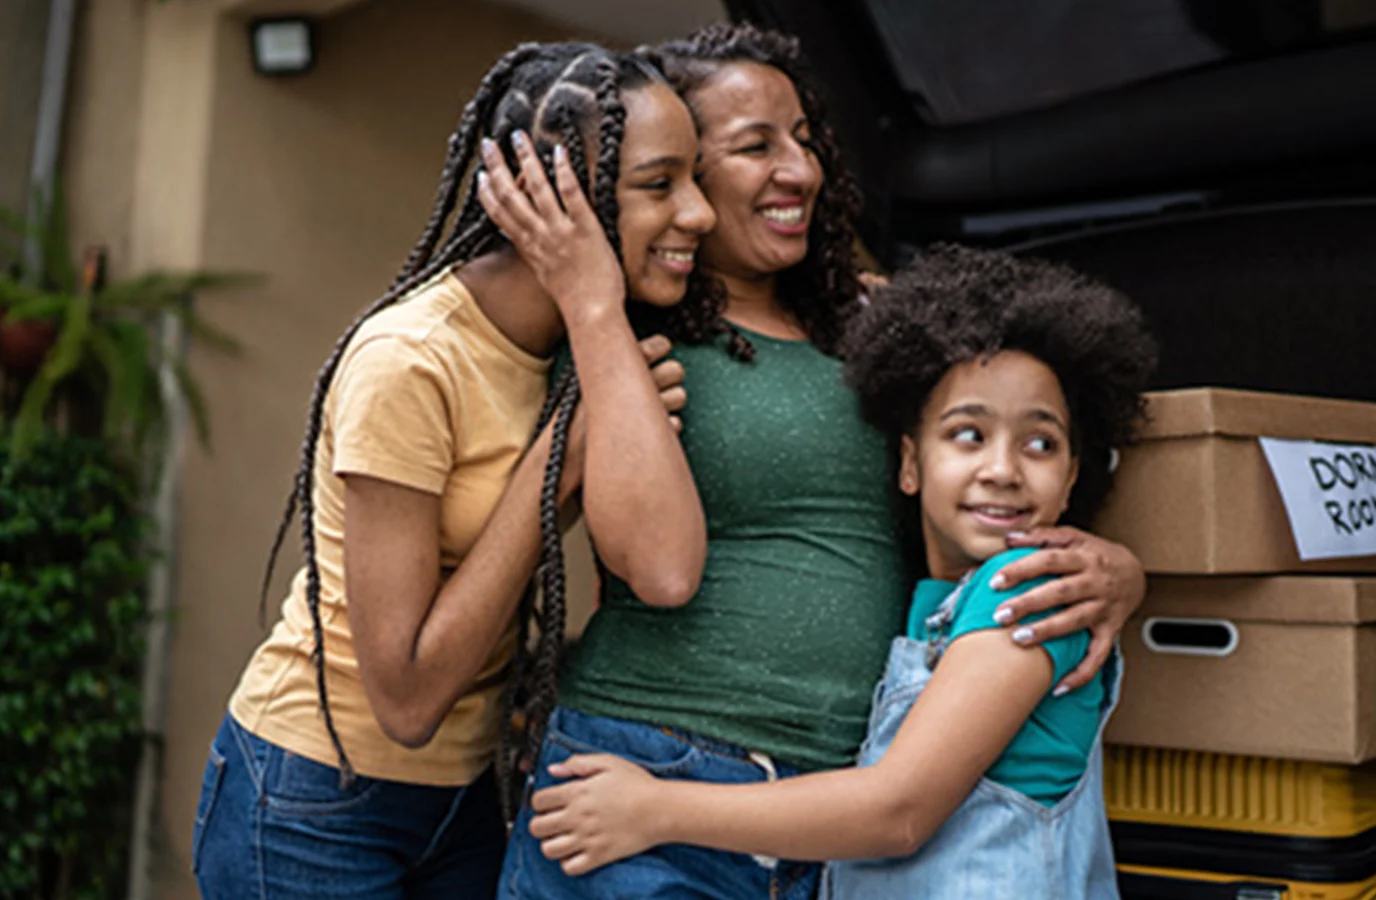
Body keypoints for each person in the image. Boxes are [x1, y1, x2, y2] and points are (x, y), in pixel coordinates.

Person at [484, 24, 1149, 900]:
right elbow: (651, 566)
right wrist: (593, 305)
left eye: (804, 139)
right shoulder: (629, 336)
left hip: (838, 812)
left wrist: (1121, 567)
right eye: (755, 145)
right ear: (678, 171)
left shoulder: (885, 330)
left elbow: (1023, 444)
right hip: (646, 781)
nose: (798, 170)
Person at [191, 43, 718, 899]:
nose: (698, 213)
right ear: (550, 197)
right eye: (659, 185)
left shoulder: (586, 345)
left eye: (695, 178)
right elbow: (405, 697)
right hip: (310, 803)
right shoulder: (412, 361)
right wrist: (562, 452)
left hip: (463, 799)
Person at [524, 245, 1158, 900]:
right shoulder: (935, 608)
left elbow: (898, 811)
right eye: (969, 434)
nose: (1003, 469)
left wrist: (653, 809)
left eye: (1040, 443)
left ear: (1073, 475)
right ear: (909, 464)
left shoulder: (1029, 596)